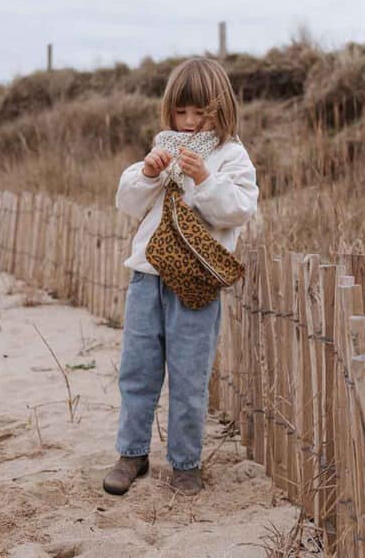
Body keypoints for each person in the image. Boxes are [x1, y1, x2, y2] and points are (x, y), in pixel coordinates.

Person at [103, 56, 259, 497]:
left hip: (196, 282)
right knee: (137, 369)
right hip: (147, 276)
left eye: (199, 113)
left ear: (220, 109)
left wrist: (205, 178)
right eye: (181, 112)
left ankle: (185, 463)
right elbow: (128, 201)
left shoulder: (232, 155)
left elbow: (240, 209)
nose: (189, 123)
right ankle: (132, 453)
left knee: (189, 375)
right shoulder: (162, 145)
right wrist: (150, 171)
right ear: (169, 111)